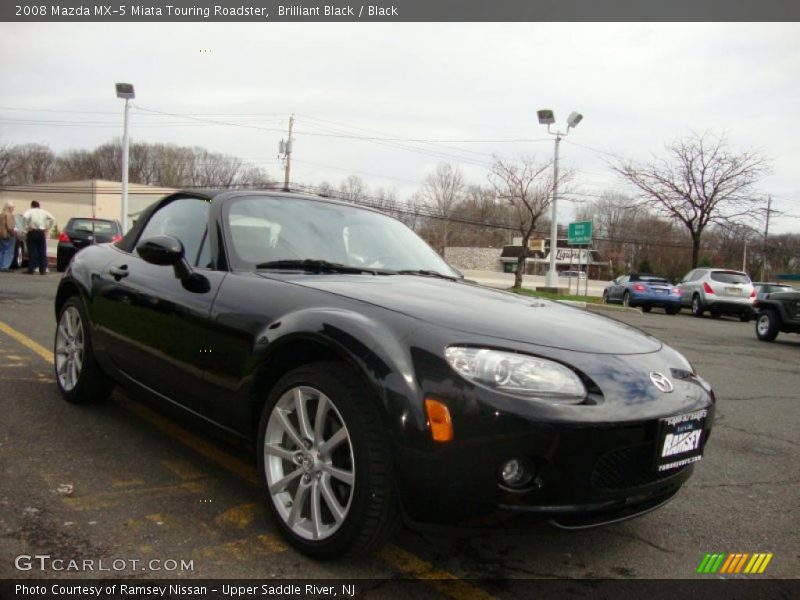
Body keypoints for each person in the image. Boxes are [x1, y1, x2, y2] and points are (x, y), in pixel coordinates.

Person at [22, 200, 55, 275]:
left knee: (32, 251)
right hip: (41, 232)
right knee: (42, 251)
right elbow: (52, 218)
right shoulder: (43, 211)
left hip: (32, 232)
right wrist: (48, 227)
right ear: (39, 206)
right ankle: (42, 270)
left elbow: (24, 217)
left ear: (32, 205)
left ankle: (31, 269)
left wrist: (26, 226)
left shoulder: (30, 211)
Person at [0, 201, 16, 271]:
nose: (13, 210)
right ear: (9, 208)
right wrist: (13, 233)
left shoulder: (1, 214)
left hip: (1, 234)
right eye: (12, 208)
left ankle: (1, 264)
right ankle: (5, 266)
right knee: (8, 251)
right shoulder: (9, 215)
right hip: (7, 235)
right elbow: (9, 226)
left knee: (2, 250)